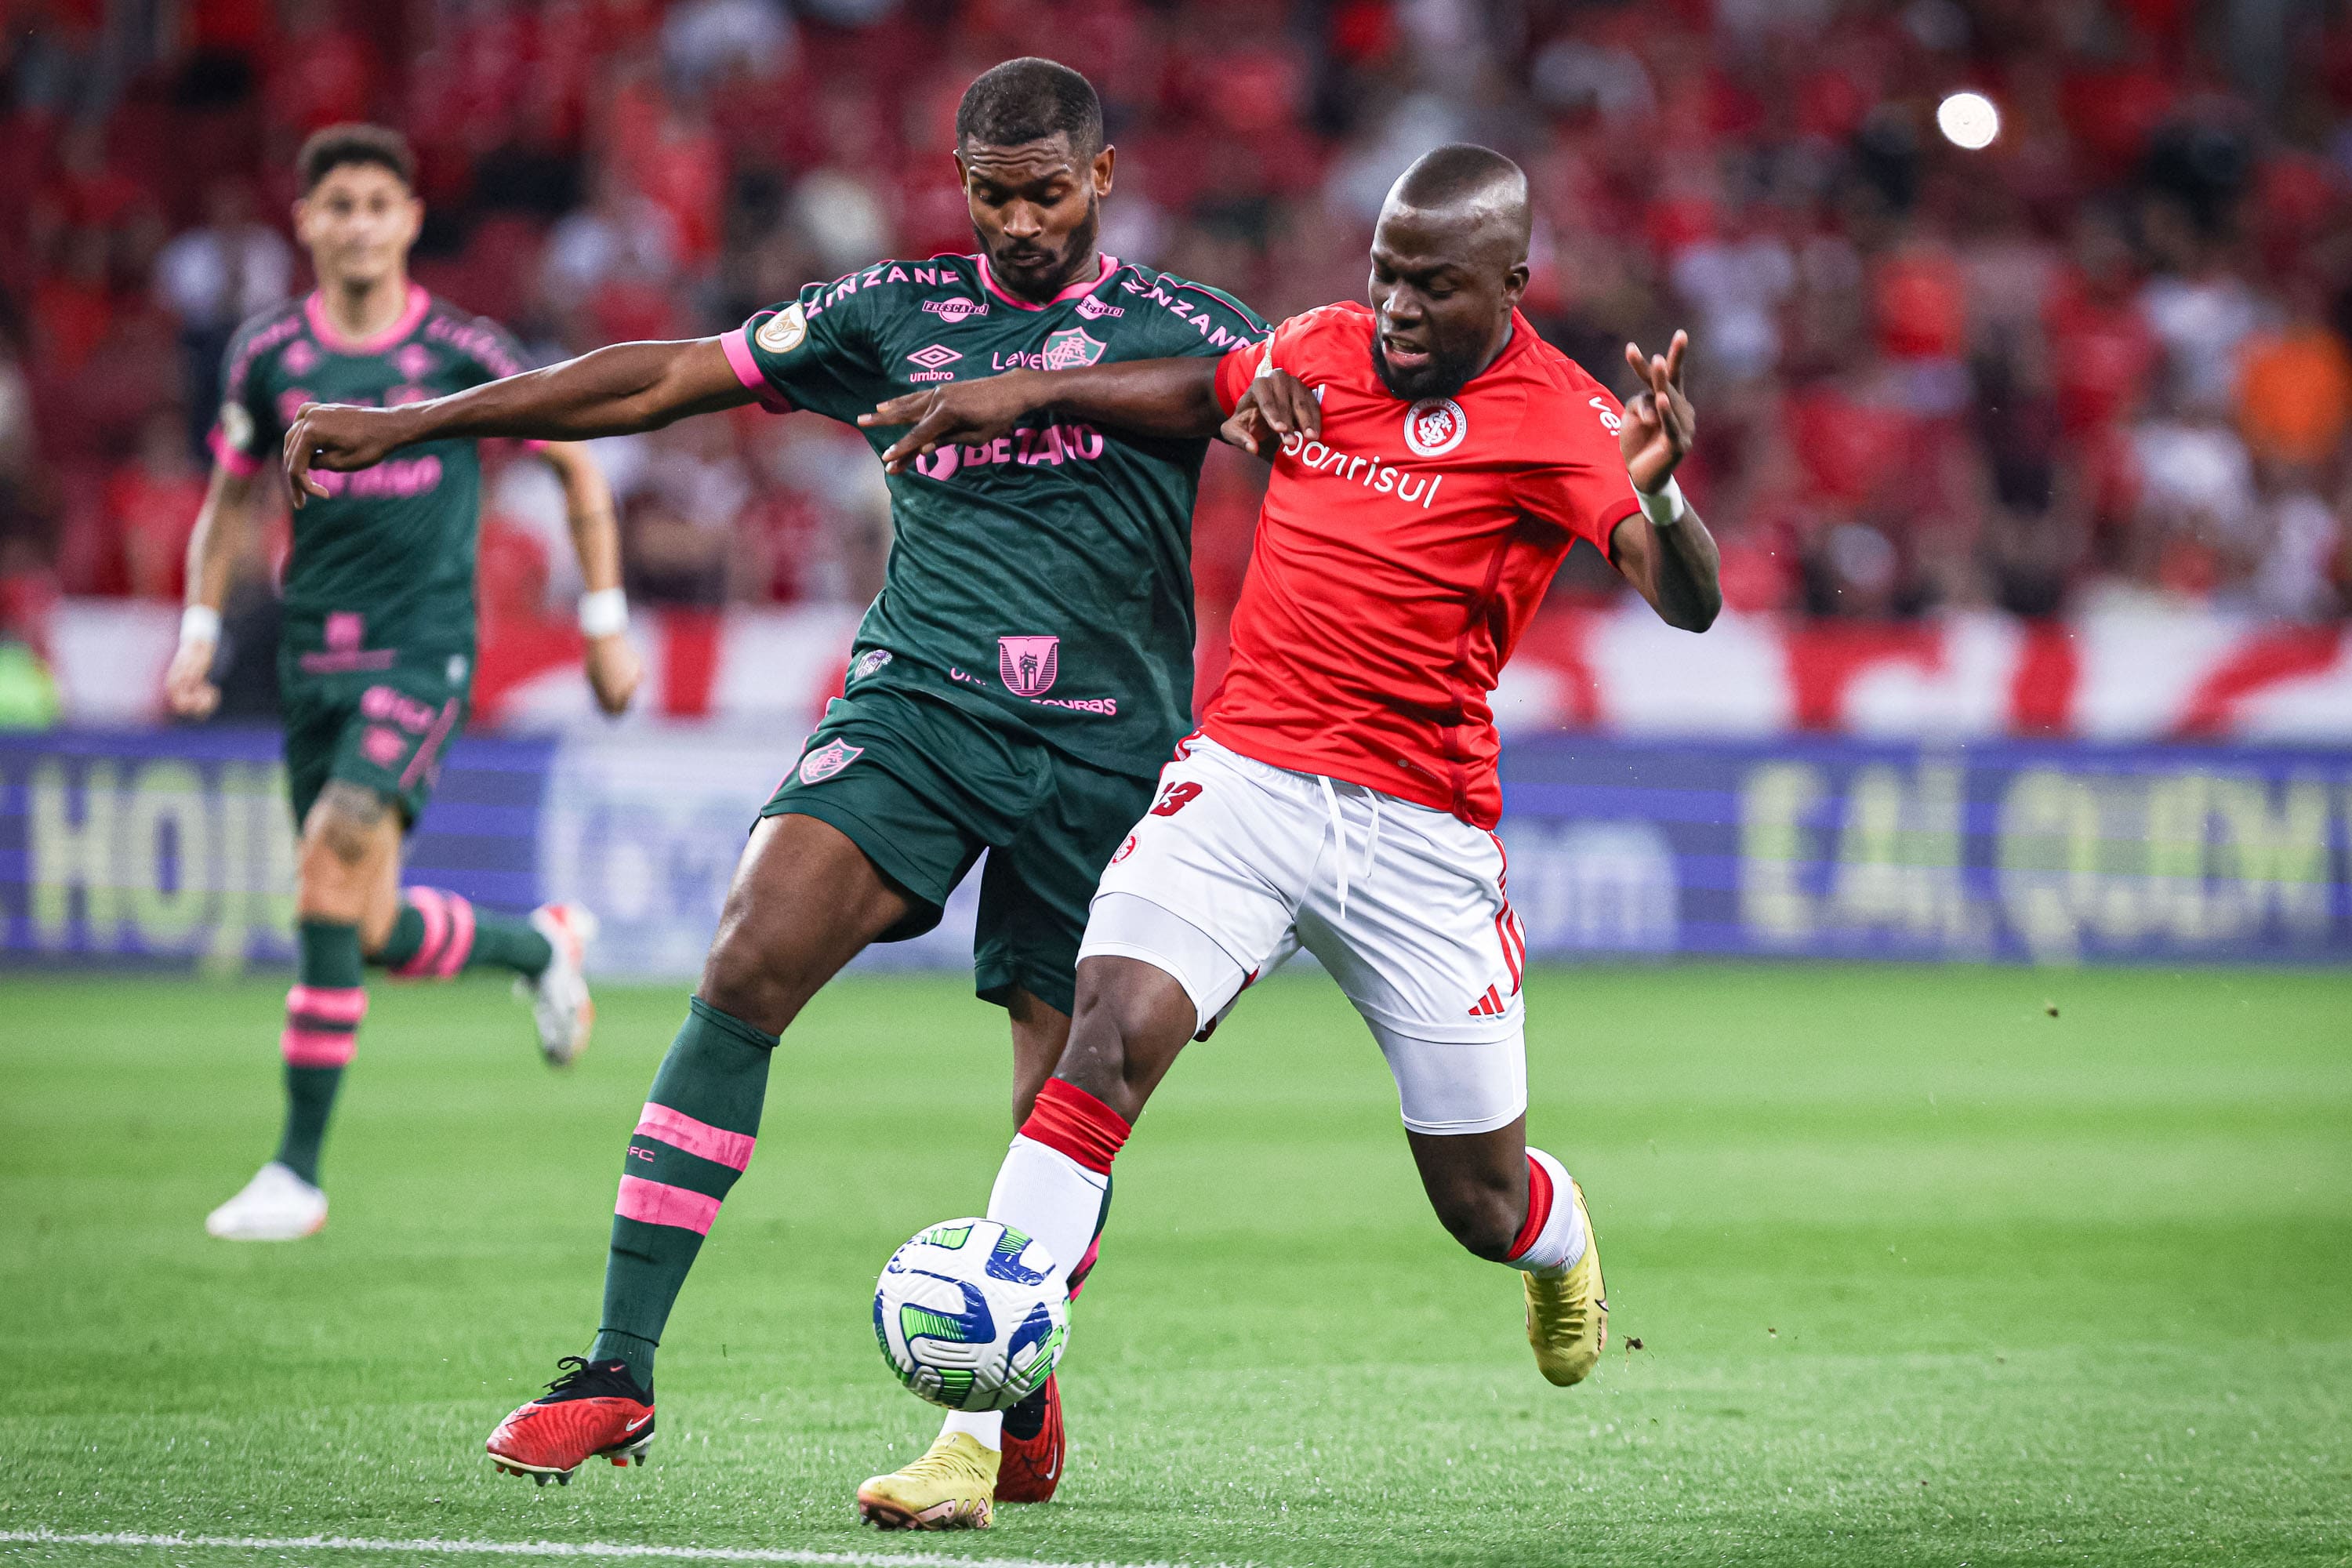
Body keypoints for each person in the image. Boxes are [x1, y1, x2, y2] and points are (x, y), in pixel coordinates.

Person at [278, 60, 1268, 1514]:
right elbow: (671, 373)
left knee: (1061, 1098)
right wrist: (430, 424)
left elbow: (1335, 456)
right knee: (745, 961)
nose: (1015, 226)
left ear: (1103, 178)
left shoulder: (1192, 332)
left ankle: (1017, 1387)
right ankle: (616, 1371)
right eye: (988, 195)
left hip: (1112, 749)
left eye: (1046, 194)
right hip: (922, 707)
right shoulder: (892, 312)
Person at [857, 143, 1722, 1520]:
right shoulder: (1320, 349)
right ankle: (972, 1434)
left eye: (1435, 287)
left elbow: (1685, 601)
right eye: (1384, 274)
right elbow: (1198, 393)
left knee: (1478, 1205)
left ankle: (1557, 1243)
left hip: (1420, 835)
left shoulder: (1561, 417)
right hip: (1246, 783)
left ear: (1512, 282)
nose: (1397, 307)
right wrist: (1027, 391)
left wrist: (1665, 492)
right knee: (1103, 1044)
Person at [172, 125, 642, 1244]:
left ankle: (295, 1172)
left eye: (379, 203)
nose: (359, 224)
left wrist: (604, 621)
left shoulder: (462, 349)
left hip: (423, 651)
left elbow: (575, 459)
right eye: (338, 205)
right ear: (307, 223)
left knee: (331, 852)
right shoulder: (268, 354)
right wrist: (196, 627)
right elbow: (229, 501)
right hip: (309, 658)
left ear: (411, 218)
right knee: (362, 921)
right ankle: (538, 947)